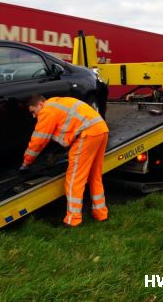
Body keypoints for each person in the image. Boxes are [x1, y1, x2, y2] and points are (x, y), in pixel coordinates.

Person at [19, 95, 109, 227]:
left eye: (33, 111)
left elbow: (38, 141)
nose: (34, 116)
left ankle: (73, 220)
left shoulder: (47, 110)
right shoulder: (57, 103)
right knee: (95, 176)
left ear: (40, 104)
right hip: (101, 130)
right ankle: (101, 214)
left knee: (74, 180)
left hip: (86, 135)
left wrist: (26, 164)